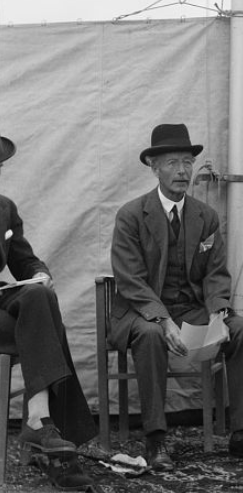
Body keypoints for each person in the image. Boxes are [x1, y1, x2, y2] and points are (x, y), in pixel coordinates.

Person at [109, 123, 243, 470]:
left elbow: (216, 272)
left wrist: (218, 312)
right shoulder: (131, 216)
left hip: (191, 310)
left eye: (187, 162)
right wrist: (162, 318)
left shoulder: (205, 216)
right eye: (172, 163)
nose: (182, 171)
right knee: (154, 333)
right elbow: (131, 280)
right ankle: (156, 439)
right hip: (142, 313)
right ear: (153, 168)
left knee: (242, 328)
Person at [0, 133, 96, 488]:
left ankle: (40, 419)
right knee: (46, 323)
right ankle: (58, 453)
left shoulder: (4, 207)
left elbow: (23, 260)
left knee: (41, 297)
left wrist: (40, 274)